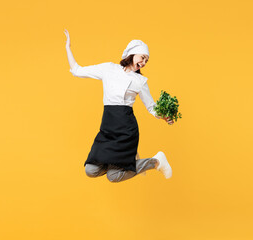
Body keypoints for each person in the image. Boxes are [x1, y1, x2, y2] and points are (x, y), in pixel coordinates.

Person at [64, 29, 173, 183]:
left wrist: (164, 116)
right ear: (133, 53)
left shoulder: (140, 81)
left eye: (146, 61)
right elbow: (77, 71)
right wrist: (68, 47)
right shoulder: (109, 69)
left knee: (113, 177)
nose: (143, 63)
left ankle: (155, 162)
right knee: (91, 170)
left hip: (126, 131)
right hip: (107, 129)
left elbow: (151, 107)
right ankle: (123, 162)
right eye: (142, 57)